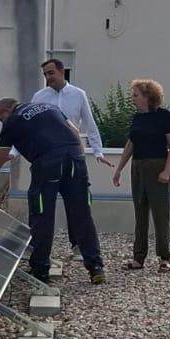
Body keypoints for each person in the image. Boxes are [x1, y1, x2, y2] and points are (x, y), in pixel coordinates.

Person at [0, 98, 107, 285]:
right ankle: (96, 267)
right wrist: (79, 161)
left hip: (47, 163)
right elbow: (75, 132)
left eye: (1, 119)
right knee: (81, 213)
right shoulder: (50, 107)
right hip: (75, 159)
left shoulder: (13, 120)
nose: (2, 123)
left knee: (42, 215)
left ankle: (40, 270)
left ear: (5, 112)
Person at [31, 57, 110, 261]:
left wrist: (98, 151)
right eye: (45, 75)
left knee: (77, 203)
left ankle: (79, 246)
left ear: (62, 72)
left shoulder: (78, 94)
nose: (48, 78)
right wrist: (14, 152)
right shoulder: (39, 97)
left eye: (51, 73)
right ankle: (40, 251)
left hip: (73, 157)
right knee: (44, 204)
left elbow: (89, 123)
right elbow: (28, 125)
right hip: (47, 158)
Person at [111, 78, 170, 273]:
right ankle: (138, 257)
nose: (133, 98)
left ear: (148, 96)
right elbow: (130, 143)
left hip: (157, 166)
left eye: (135, 95)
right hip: (138, 166)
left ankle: (164, 257)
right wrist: (119, 169)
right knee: (140, 213)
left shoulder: (164, 116)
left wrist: (167, 170)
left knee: (160, 214)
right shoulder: (137, 118)